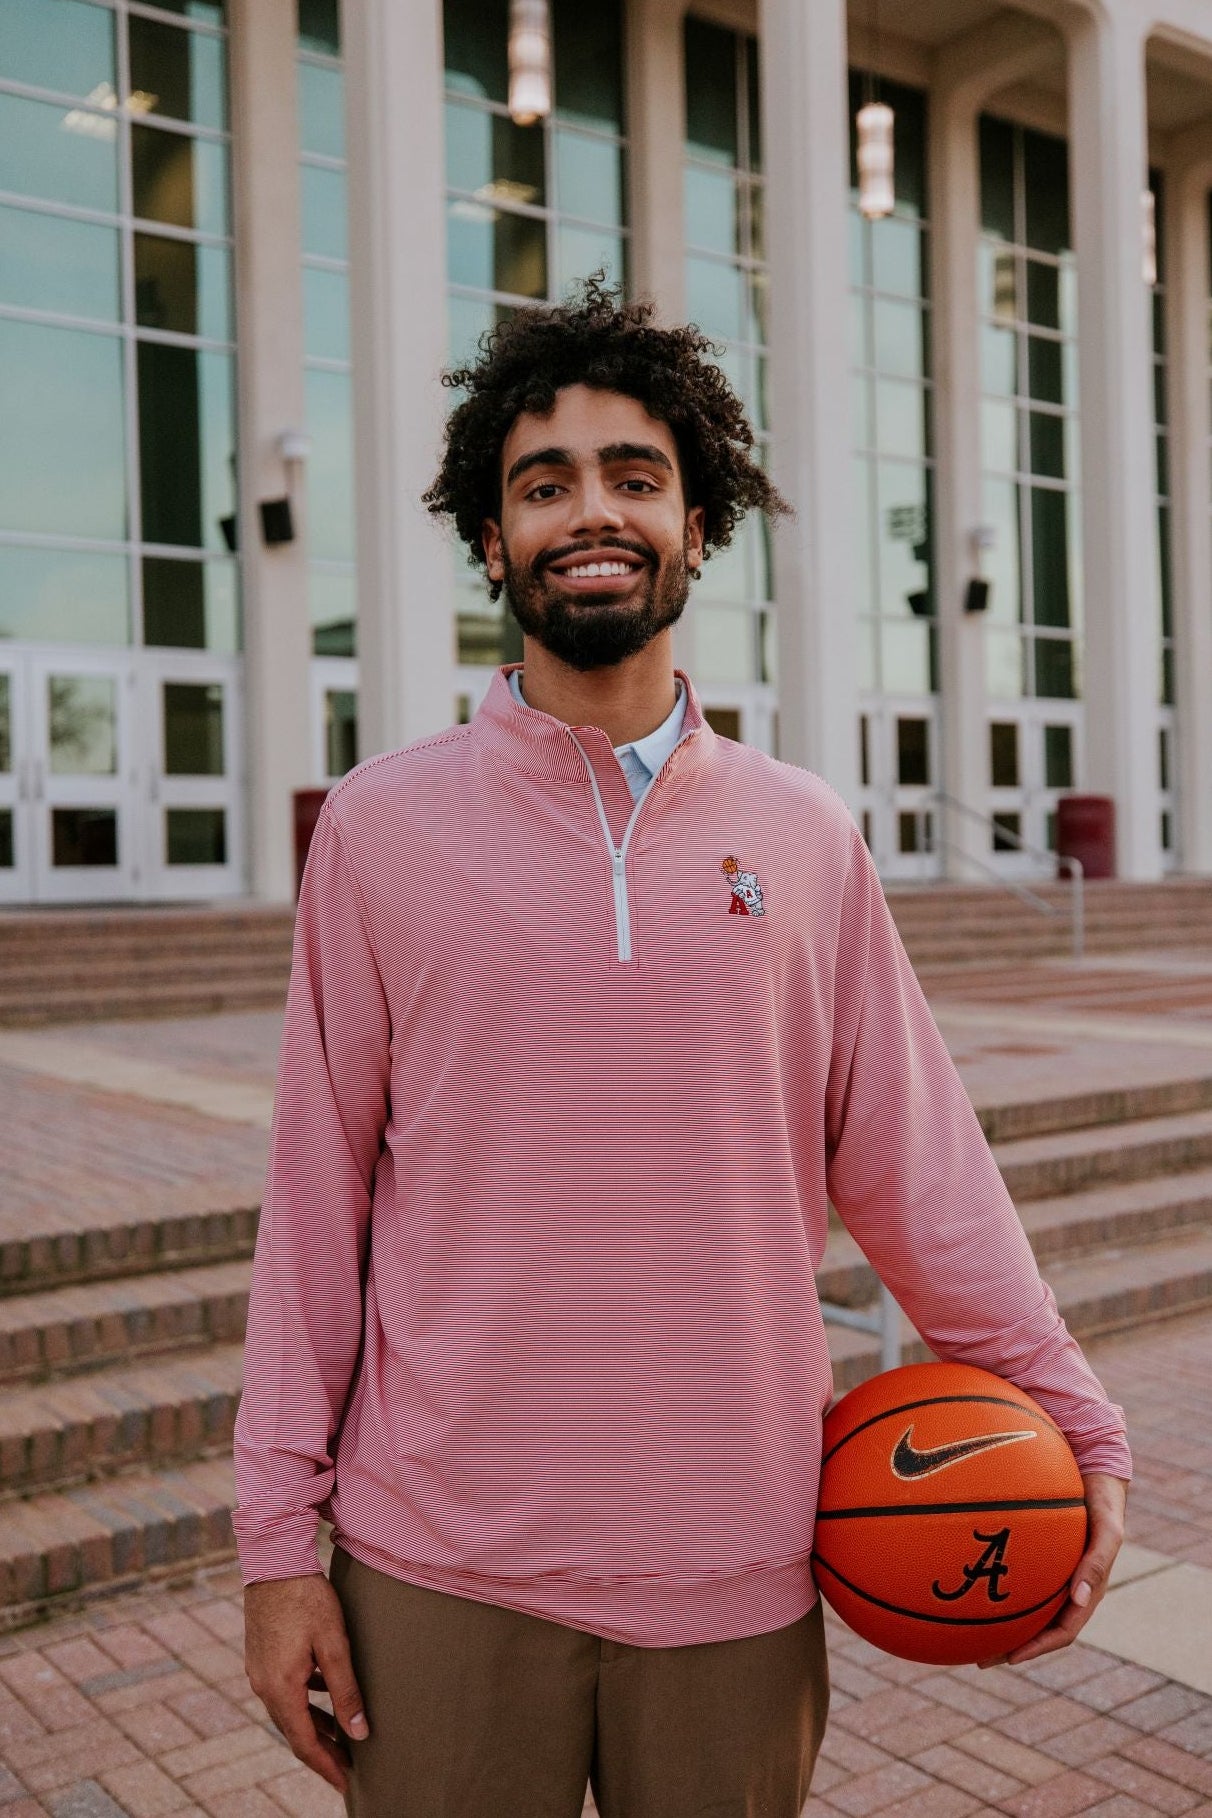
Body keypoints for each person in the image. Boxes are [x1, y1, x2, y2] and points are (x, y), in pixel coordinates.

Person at [234, 279, 1130, 1817]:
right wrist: (271, 1543)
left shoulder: (807, 835)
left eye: (635, 476)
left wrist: (1075, 1411)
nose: (592, 511)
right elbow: (315, 1207)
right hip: (439, 1568)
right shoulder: (381, 829)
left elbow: (925, 1174)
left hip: (738, 1562)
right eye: (544, 483)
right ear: (491, 540)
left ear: (698, 524)